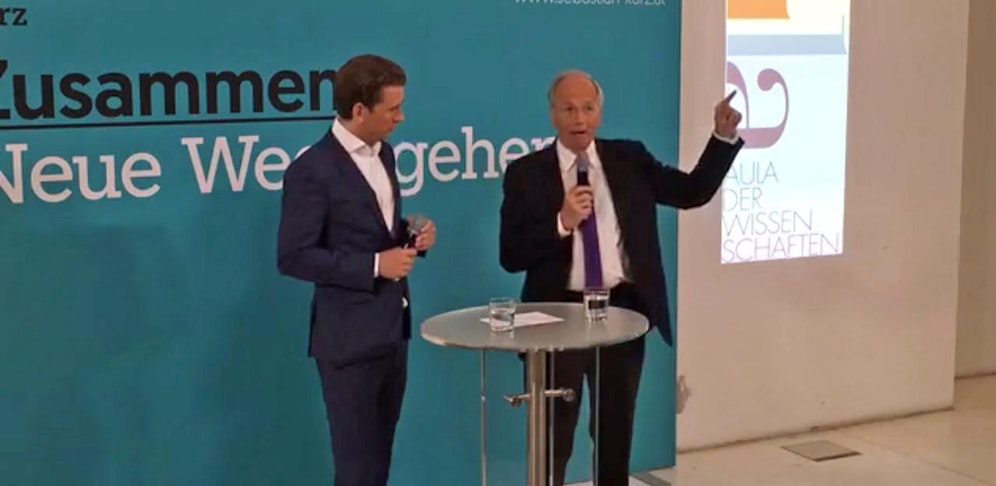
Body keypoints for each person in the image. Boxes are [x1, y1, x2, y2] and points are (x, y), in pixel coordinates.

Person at [498, 70, 742, 485]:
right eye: (569, 109)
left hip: (622, 312)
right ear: (553, 114)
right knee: (554, 434)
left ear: (600, 112)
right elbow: (510, 255)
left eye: (588, 108)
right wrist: (561, 222)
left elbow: (690, 192)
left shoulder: (630, 158)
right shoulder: (526, 173)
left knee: (615, 430)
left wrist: (721, 138)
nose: (579, 118)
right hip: (556, 316)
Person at [276, 54, 436, 486]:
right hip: (348, 342)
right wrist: (375, 265)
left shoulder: (386, 155)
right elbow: (294, 256)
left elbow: (370, 230)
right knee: (356, 471)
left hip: (392, 332)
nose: (401, 118)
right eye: (393, 109)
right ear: (360, 110)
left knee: (378, 464)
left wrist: (411, 234)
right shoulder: (311, 170)